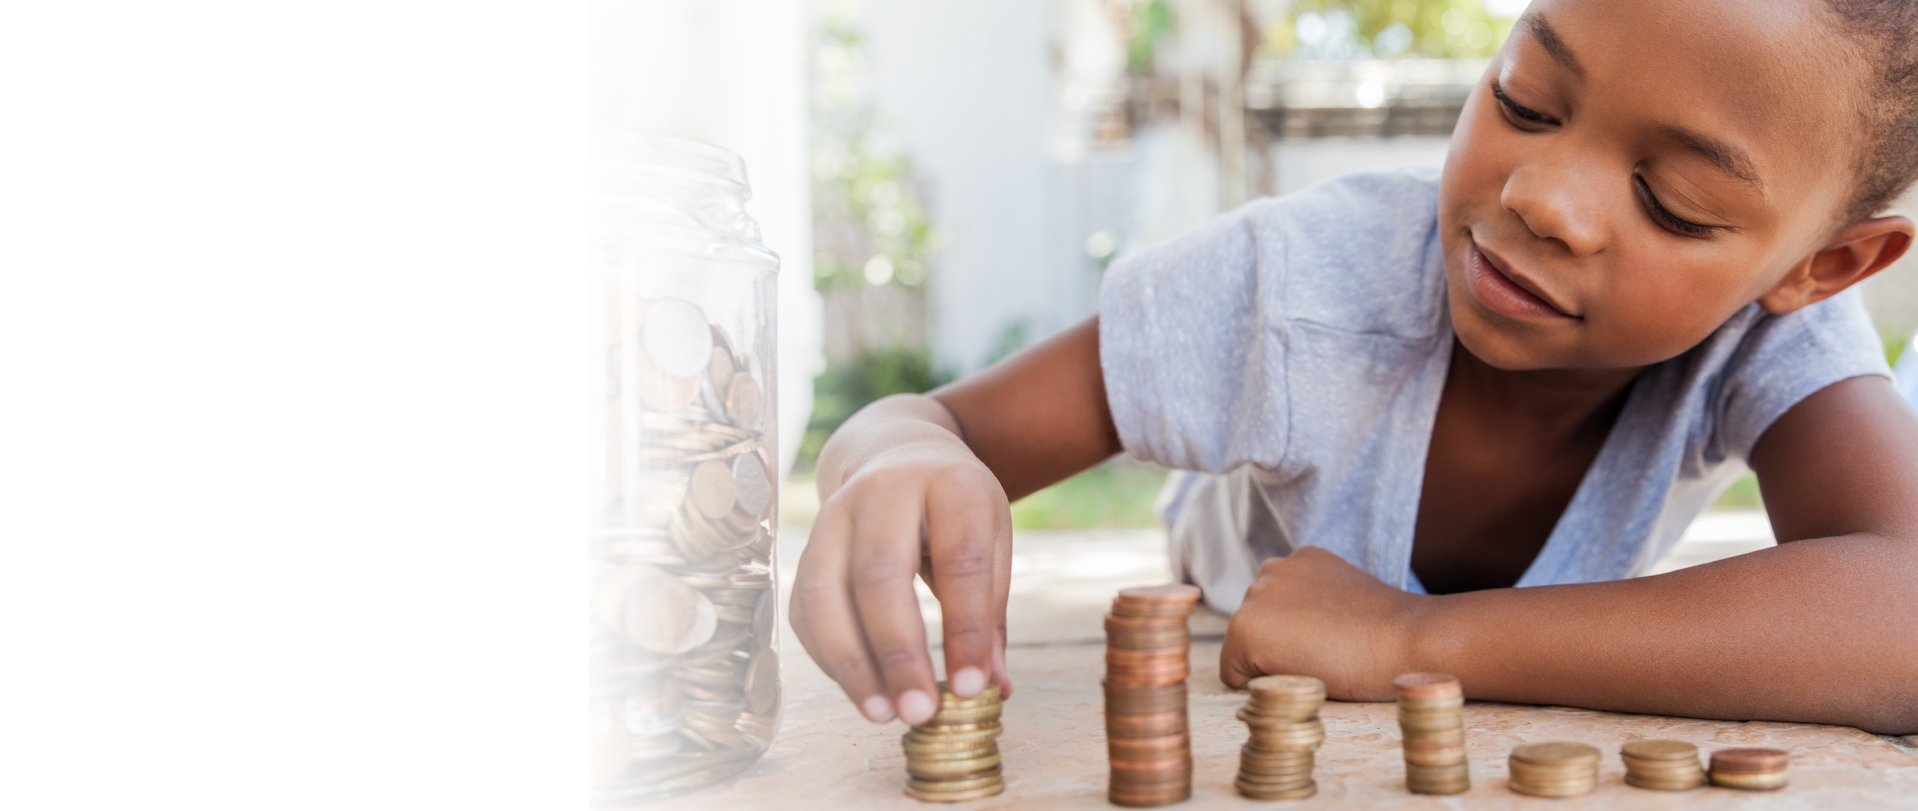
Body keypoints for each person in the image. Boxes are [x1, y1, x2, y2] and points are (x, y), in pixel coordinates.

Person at [790, 0, 1918, 735]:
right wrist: (890, 454)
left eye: (1675, 202)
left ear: (1820, 265)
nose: (1540, 198)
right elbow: (932, 424)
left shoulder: (1772, 332)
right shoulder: (1291, 286)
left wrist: (1409, 639)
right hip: (1234, 560)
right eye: (1524, 100)